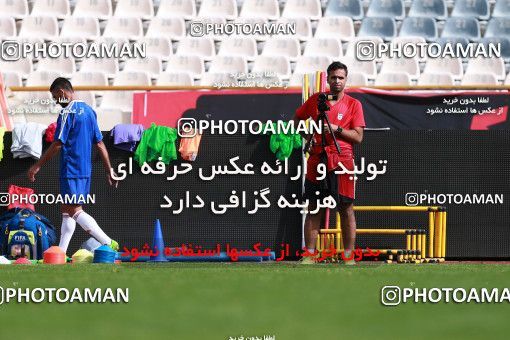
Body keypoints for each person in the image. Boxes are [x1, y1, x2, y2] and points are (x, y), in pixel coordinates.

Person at [27, 78, 119, 254]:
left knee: (73, 210)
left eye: (55, 98)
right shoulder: (90, 111)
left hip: (71, 169)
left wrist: (37, 166)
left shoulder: (67, 113)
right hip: (84, 170)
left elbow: (58, 144)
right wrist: (109, 170)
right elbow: (99, 143)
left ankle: (108, 242)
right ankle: (61, 252)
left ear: (62, 93)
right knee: (67, 210)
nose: (55, 102)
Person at [294, 62, 365, 264]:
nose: (337, 81)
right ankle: (309, 254)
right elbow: (297, 118)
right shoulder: (316, 100)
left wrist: (336, 129)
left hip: (342, 161)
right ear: (327, 79)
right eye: (333, 77)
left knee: (346, 207)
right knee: (314, 207)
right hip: (317, 159)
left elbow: (358, 137)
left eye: (340, 78)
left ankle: (349, 256)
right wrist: (308, 137)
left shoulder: (354, 105)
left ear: (346, 79)